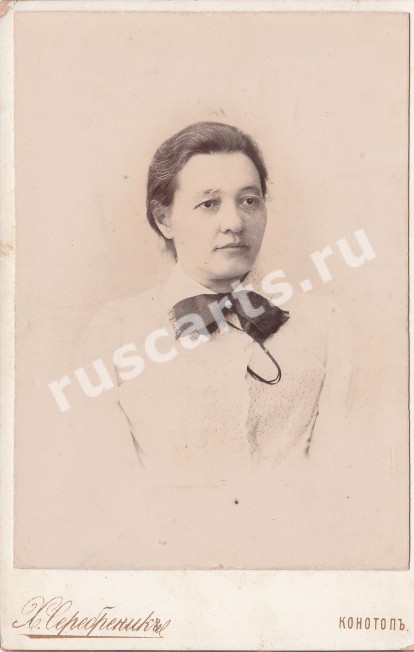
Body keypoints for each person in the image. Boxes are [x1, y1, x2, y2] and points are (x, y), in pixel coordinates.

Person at [73, 122, 353, 567]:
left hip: (297, 564)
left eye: (249, 200)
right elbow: (109, 496)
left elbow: (341, 483)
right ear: (164, 219)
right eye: (209, 204)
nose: (234, 223)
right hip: (166, 570)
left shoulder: (323, 324)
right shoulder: (116, 332)